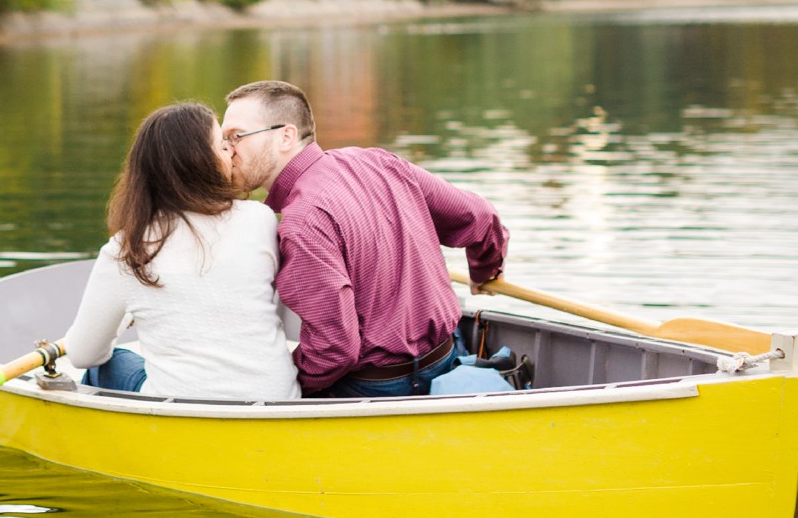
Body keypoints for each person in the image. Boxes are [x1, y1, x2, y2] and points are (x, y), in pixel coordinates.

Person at [220, 80, 508, 398]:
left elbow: (335, 350)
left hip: (375, 387)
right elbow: (480, 217)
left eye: (236, 136)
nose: (227, 150)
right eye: (223, 140)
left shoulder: (300, 225)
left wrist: (288, 383)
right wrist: (484, 271)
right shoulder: (378, 161)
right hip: (445, 358)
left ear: (286, 136)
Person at [63, 100, 301, 402]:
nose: (231, 150)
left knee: (109, 366)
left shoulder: (127, 249)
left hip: (184, 406)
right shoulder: (259, 219)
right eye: (221, 144)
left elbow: (84, 355)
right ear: (198, 160)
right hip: (277, 399)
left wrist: (123, 319)